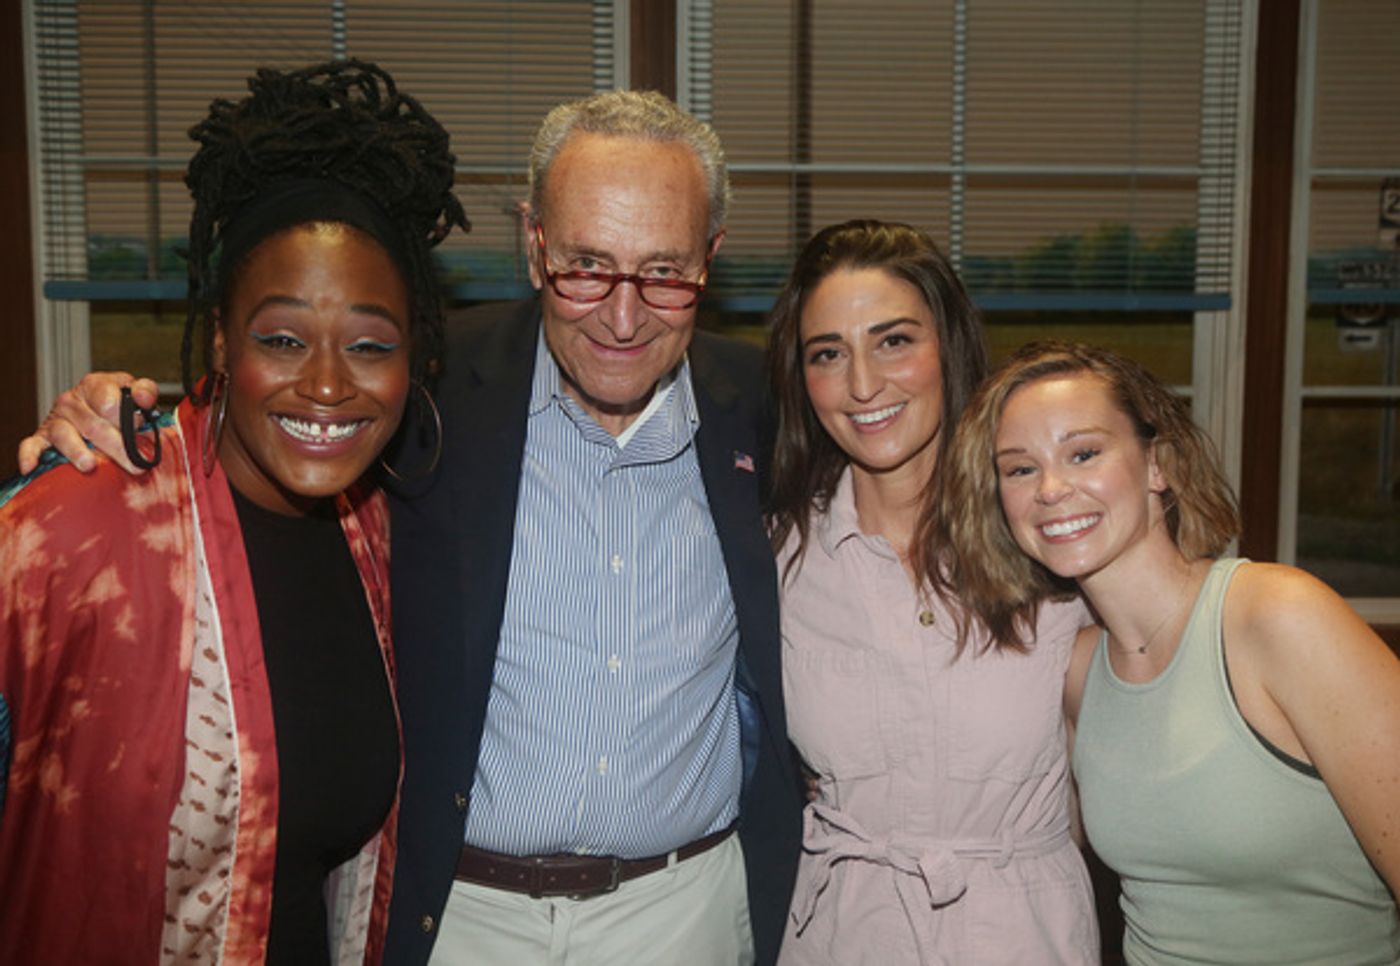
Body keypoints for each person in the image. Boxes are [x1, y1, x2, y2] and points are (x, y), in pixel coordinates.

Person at [19, 89, 803, 966]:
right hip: (460, 917)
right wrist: (106, 427)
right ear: (535, 245)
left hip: (682, 912)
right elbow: (264, 421)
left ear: (710, 258)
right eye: (587, 265)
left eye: (663, 272)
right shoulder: (421, 388)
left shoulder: (766, 406)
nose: (623, 317)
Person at [0, 59, 468, 963]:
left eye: (370, 345)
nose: (326, 384)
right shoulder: (76, 528)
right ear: (219, 337)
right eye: (282, 338)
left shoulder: (375, 531)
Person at [939, 339, 1400, 963]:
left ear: (1157, 465)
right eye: (1020, 469)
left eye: (1083, 453)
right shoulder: (1079, 671)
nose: (1050, 488)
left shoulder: (1278, 616)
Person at [765, 220, 1098, 964]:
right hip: (841, 936)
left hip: (1022, 939)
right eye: (828, 354)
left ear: (948, 344)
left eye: (894, 341)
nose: (862, 385)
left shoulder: (1052, 535)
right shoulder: (778, 558)